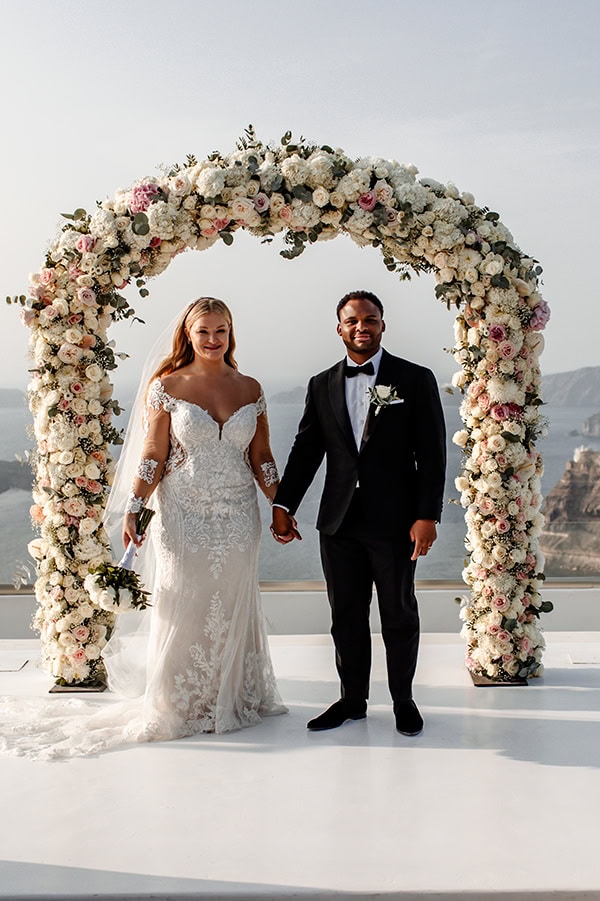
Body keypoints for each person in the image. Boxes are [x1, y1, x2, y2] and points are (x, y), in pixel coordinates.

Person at [0, 298, 287, 758]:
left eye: (221, 330)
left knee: (233, 596)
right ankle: (179, 702)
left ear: (232, 333)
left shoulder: (251, 388)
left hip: (237, 515)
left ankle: (233, 695)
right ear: (188, 336)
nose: (213, 340)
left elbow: (262, 457)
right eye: (204, 332)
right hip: (182, 512)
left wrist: (281, 505)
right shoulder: (166, 386)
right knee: (183, 597)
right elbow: (153, 455)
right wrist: (135, 508)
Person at [271, 290, 446, 736]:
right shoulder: (321, 384)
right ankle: (352, 701)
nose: (361, 327)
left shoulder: (415, 378)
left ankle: (403, 700)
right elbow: (307, 449)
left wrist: (427, 515)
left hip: (396, 523)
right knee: (345, 615)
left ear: (383, 325)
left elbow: (432, 453)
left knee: (398, 614)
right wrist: (283, 504)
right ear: (340, 328)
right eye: (352, 321)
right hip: (339, 523)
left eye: (370, 319)